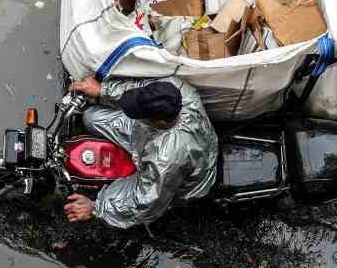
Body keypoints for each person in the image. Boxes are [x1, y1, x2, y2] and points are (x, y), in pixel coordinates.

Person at [60, 75, 218, 229]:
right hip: (149, 134)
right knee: (91, 117)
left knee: (110, 197)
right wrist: (102, 90)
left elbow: (146, 203)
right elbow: (141, 89)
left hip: (172, 169)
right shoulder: (176, 89)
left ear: (157, 120)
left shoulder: (166, 159)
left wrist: (96, 208)